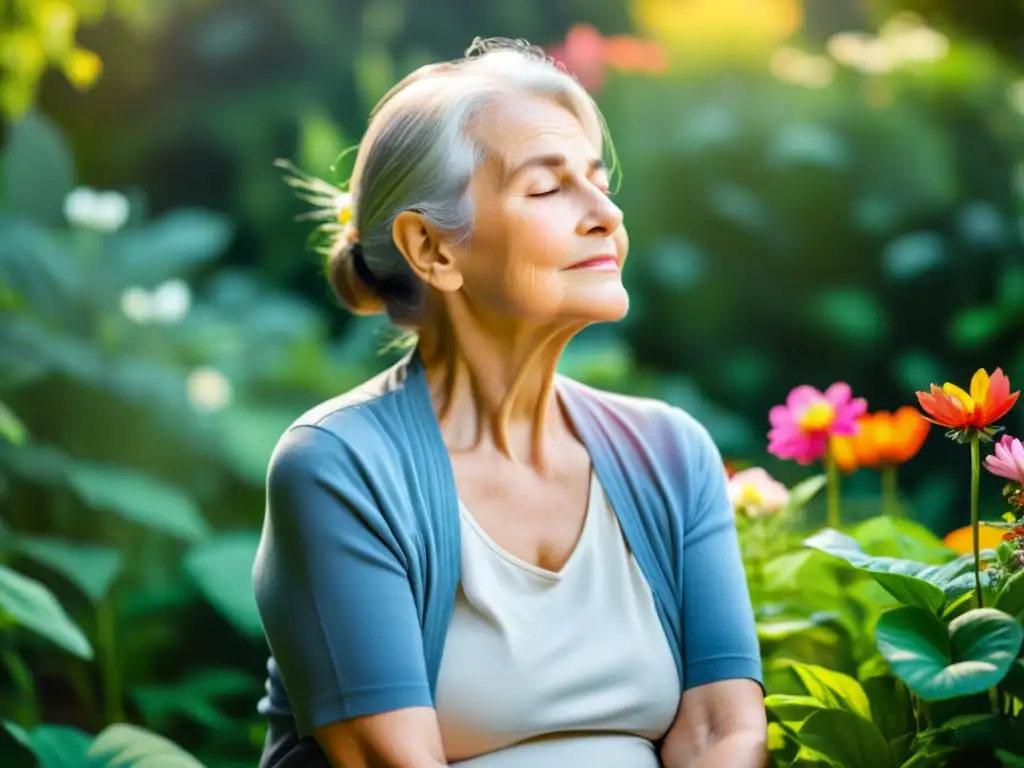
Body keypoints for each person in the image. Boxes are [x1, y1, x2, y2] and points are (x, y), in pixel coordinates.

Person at [252, 36, 766, 768]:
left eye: (597, 181)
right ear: (432, 249)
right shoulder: (340, 467)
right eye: (549, 187)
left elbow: (722, 730)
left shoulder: (671, 452)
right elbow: (390, 760)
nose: (605, 216)